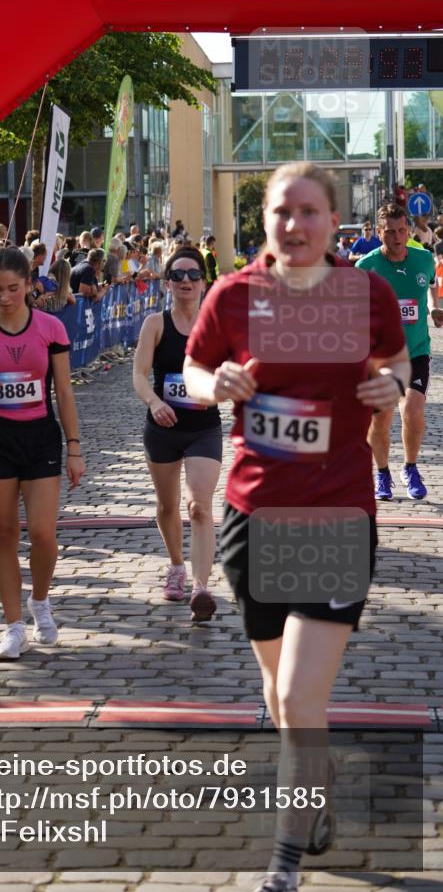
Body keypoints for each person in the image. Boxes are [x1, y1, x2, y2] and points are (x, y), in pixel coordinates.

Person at [183, 162, 409, 892]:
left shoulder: (365, 293)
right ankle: (316, 784)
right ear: (265, 221)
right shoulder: (234, 294)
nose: (294, 224)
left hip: (336, 513)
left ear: (333, 222)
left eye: (309, 211)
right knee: (281, 700)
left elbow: (398, 359)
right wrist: (213, 385)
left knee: (303, 699)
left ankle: (283, 860)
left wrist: (393, 384)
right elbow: (193, 368)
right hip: (253, 516)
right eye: (282, 211)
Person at [0, 247, 85, 660]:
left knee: (44, 534)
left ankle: (40, 601)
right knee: (5, 534)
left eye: (13, 288)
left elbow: (63, 391)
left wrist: (74, 448)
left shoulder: (50, 328)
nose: (4, 297)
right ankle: (13, 628)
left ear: (30, 285)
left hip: (40, 437)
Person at [133, 245, 221, 621]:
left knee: (199, 506)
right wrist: (155, 402)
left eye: (193, 274)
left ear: (203, 281)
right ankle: (175, 565)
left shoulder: (216, 326)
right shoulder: (155, 324)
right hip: (162, 429)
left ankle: (201, 587)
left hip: (204, 428)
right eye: (178, 275)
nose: (186, 281)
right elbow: (139, 375)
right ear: (167, 282)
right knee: (168, 506)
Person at [356, 202, 442, 500]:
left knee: (413, 408)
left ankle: (410, 467)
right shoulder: (365, 267)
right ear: (379, 232)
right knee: (381, 417)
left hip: (416, 349)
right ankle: (382, 473)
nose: (397, 237)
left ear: (408, 230)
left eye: (402, 230)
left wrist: (433, 307)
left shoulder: (423, 259)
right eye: (390, 232)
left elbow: (431, 285)